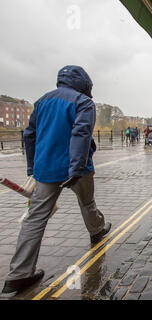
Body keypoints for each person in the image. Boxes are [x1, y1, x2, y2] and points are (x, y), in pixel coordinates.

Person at [1, 66, 111, 297]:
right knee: (87, 203)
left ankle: (19, 274)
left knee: (35, 218)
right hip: (76, 167)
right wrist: (77, 167)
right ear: (85, 83)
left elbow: (29, 135)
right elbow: (81, 132)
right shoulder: (83, 102)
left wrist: (32, 166)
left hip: (46, 168)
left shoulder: (41, 102)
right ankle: (97, 230)